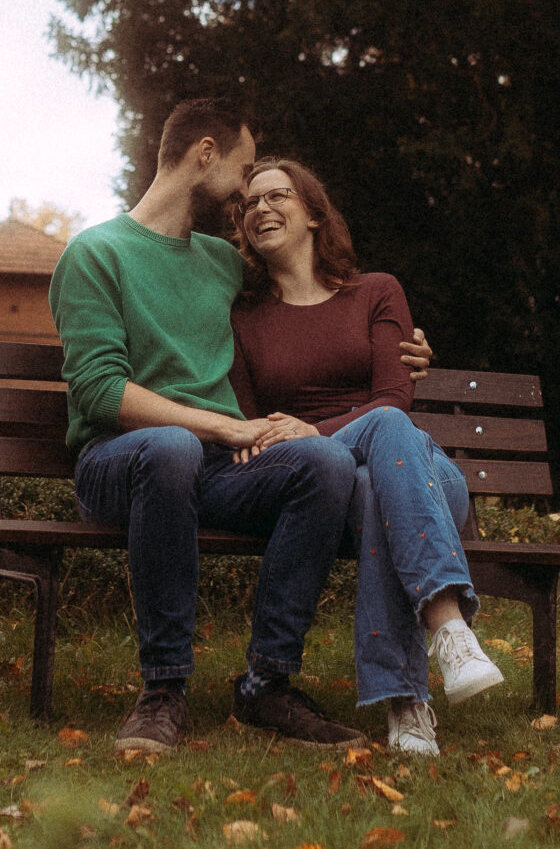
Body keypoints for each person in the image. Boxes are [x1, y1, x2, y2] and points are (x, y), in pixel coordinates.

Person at [51, 98, 425, 759]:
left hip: (215, 470)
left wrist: (403, 348)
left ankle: (265, 683)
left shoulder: (224, 264)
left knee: (325, 464)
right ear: (203, 155)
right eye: (242, 169)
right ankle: (163, 687)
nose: (246, 192)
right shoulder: (95, 253)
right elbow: (100, 390)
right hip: (118, 462)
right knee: (167, 448)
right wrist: (223, 426)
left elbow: (316, 310)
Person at [228, 157, 504, 759]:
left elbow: (393, 398)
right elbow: (253, 428)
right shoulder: (243, 319)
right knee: (371, 491)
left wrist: (309, 430)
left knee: (387, 429)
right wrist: (305, 443)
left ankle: (415, 680)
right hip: (338, 486)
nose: (261, 210)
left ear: (312, 215)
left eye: (277, 196)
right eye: (249, 204)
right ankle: (432, 661)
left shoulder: (377, 291)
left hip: (423, 474)